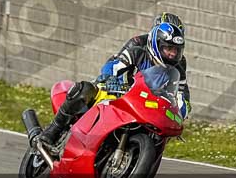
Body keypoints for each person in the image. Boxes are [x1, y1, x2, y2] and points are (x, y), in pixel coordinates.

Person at [39, 12, 190, 151]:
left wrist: (180, 113)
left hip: (149, 104)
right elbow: (115, 64)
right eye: (168, 48)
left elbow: (182, 96)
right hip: (121, 89)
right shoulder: (137, 46)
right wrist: (111, 79)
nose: (172, 53)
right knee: (85, 89)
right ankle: (54, 130)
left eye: (176, 49)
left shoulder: (179, 66)